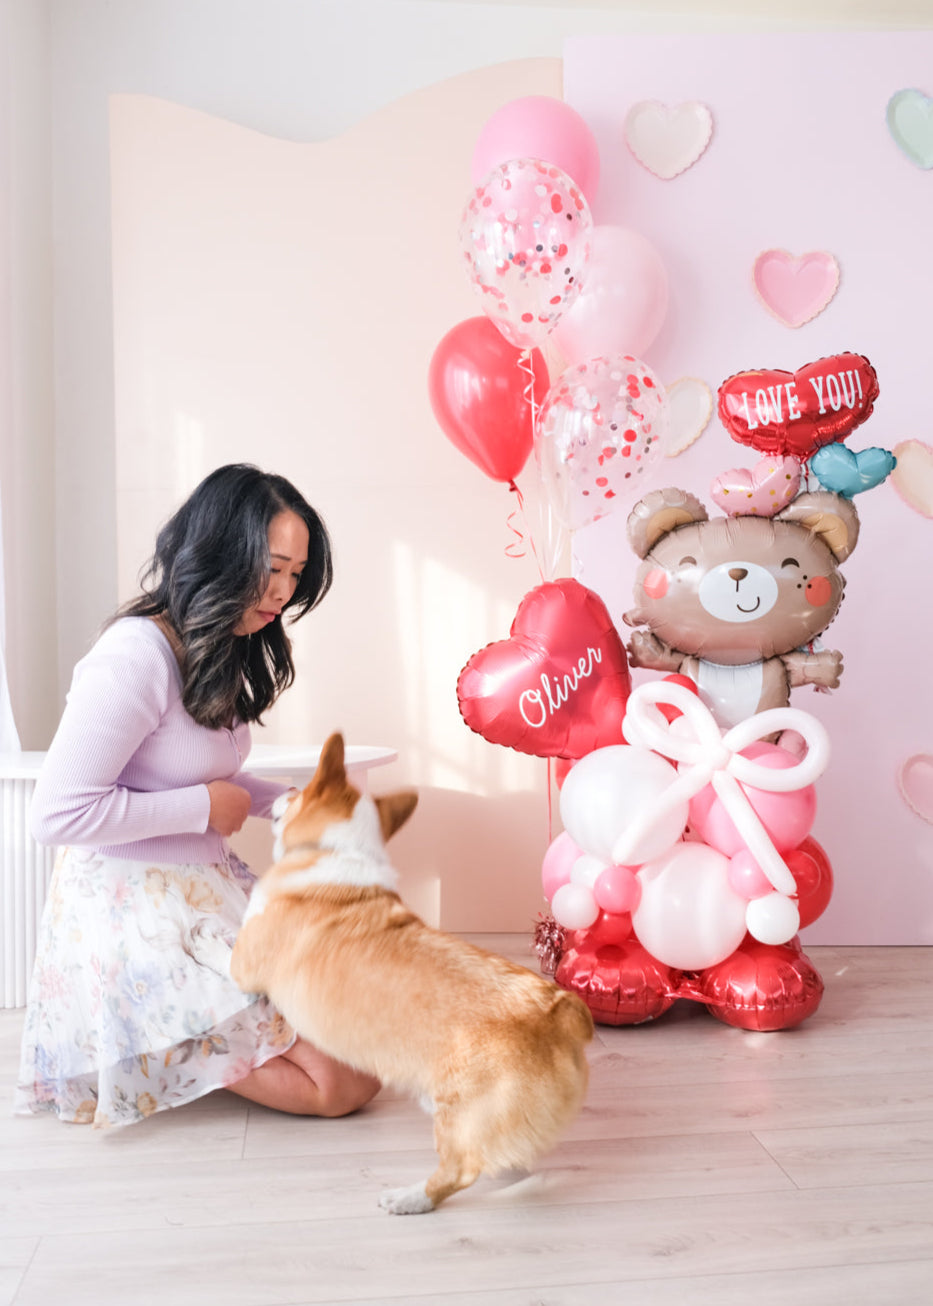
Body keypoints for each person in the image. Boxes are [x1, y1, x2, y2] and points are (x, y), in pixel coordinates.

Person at [15, 464, 379, 1127]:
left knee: (364, 1061)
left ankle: (168, 1032)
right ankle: (139, 1032)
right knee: (338, 1088)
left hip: (199, 890)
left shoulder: (219, 642)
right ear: (220, 552)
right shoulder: (133, 657)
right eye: (273, 567)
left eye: (296, 574)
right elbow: (58, 814)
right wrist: (204, 810)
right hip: (132, 909)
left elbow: (189, 772)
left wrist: (290, 803)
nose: (283, 591)